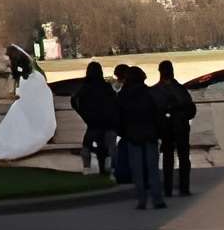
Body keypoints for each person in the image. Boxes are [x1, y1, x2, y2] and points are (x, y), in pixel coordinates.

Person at [113, 64, 165, 211]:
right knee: (152, 169)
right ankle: (157, 199)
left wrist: (123, 133)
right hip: (150, 134)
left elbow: (119, 118)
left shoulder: (123, 96)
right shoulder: (151, 94)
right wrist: (159, 132)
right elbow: (158, 115)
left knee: (137, 170)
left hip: (132, 135)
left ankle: (141, 200)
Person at [155, 61, 197, 198]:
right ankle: (184, 188)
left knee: (168, 159)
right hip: (180, 127)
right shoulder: (180, 89)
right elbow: (191, 110)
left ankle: (168, 189)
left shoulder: (156, 91)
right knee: (183, 158)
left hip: (166, 129)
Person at [70, 62, 115, 175]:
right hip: (106, 120)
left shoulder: (85, 87)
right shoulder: (106, 86)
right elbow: (114, 101)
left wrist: (82, 114)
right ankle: (107, 167)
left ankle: (87, 168)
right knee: (106, 145)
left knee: (87, 145)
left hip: (92, 121)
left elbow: (74, 99)